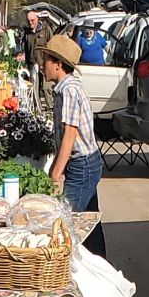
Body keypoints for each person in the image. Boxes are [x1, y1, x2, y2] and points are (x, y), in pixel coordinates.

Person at [40, 34, 106, 258]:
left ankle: (71, 268)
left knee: (67, 221)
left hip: (83, 164)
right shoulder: (64, 88)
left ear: (58, 65)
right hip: (86, 162)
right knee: (88, 219)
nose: (42, 65)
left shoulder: (69, 90)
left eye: (46, 60)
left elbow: (70, 134)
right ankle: (99, 263)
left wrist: (55, 174)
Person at [20, 10, 52, 107]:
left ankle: (50, 108)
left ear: (37, 19)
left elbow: (52, 46)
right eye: (29, 21)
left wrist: (50, 61)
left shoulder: (46, 30)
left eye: (32, 20)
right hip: (32, 64)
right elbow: (26, 49)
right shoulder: (27, 32)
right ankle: (37, 109)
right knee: (34, 88)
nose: (30, 23)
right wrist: (26, 63)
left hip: (45, 64)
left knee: (46, 88)